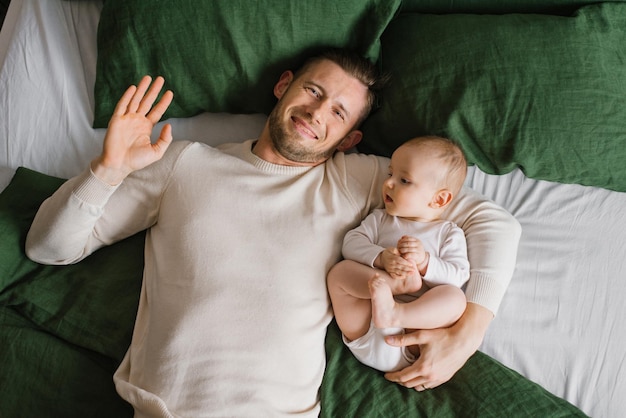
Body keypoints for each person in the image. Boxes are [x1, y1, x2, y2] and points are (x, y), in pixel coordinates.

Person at [25, 48, 521, 416]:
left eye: (338, 112)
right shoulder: (184, 162)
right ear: (284, 85)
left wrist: (469, 331)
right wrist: (107, 171)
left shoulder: (357, 179)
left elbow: (491, 220)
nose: (316, 114)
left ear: (349, 139)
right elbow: (48, 249)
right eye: (313, 91)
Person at [327, 136, 470, 373]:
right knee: (339, 274)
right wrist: (380, 257)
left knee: (455, 298)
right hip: (366, 325)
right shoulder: (380, 218)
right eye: (390, 174)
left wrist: (425, 263)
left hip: (412, 336)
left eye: (404, 180)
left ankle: (396, 313)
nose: (389, 183)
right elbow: (351, 244)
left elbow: (458, 276)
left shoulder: (448, 233)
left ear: (439, 199)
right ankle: (397, 286)